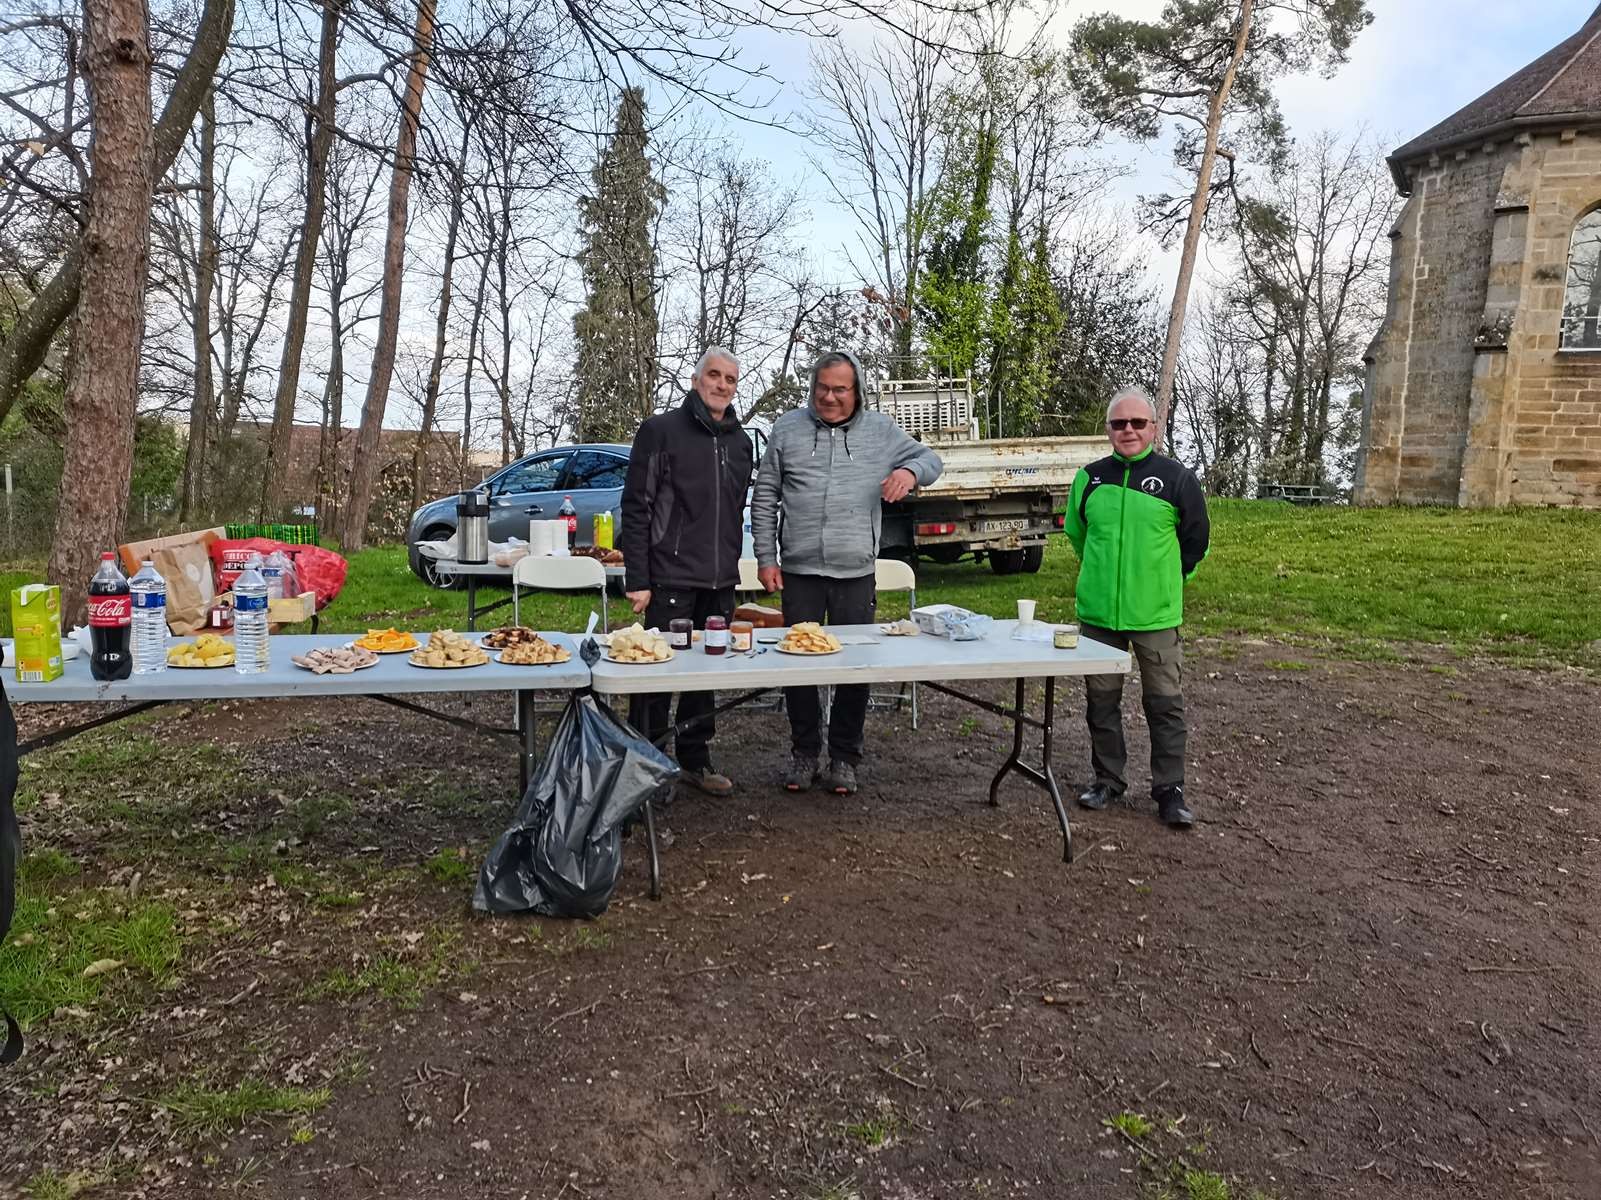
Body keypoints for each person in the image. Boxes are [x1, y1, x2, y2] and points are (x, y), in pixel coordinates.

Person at [751, 350, 943, 796]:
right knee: (796, 666)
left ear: (857, 391)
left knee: (855, 666)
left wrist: (909, 471)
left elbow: (932, 461)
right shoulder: (787, 429)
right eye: (822, 387)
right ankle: (803, 753)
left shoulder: (881, 431)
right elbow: (765, 498)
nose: (829, 397)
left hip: (855, 572)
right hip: (798, 570)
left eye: (840, 389)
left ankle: (843, 758)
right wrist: (766, 557)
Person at [1064, 385, 1210, 828]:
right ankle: (1107, 779)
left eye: (1137, 423)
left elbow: (1195, 541)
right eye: (1118, 423)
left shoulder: (1178, 479)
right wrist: (1104, 577)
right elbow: (1078, 535)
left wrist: (1165, 581)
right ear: (1108, 429)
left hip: (1156, 616)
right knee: (1100, 703)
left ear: (1155, 427)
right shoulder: (1089, 479)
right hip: (1099, 617)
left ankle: (1170, 790)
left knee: (1165, 705)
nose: (1128, 430)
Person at [620, 348, 755, 796]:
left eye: (730, 379)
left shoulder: (741, 442)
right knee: (657, 675)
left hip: (719, 581)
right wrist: (638, 578)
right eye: (713, 376)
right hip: (669, 579)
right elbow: (636, 507)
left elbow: (735, 510)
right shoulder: (660, 432)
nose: (721, 384)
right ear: (697, 381)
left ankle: (695, 760)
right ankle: (646, 765)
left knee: (705, 677)